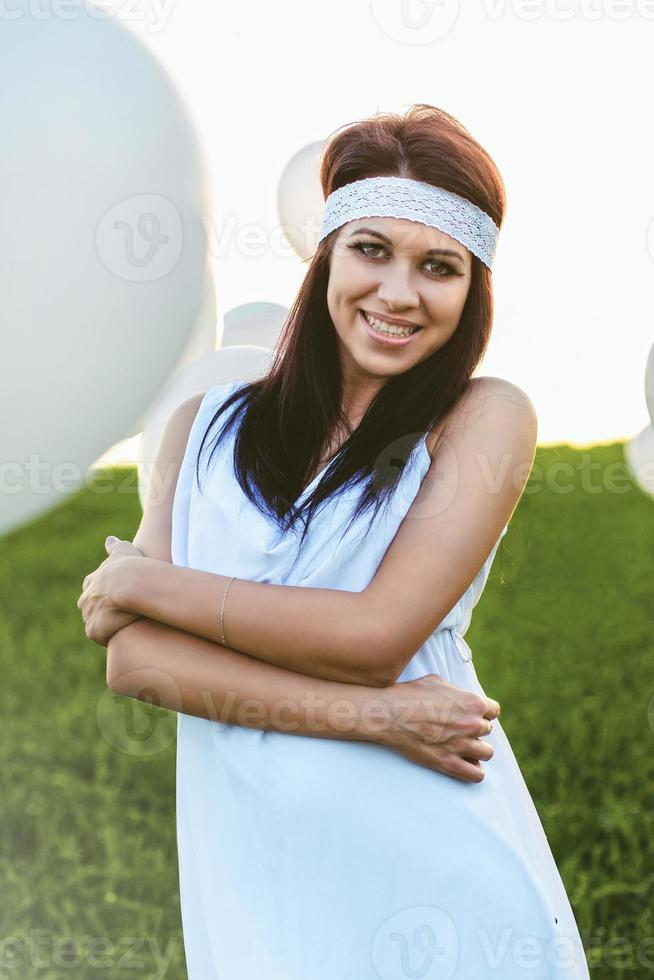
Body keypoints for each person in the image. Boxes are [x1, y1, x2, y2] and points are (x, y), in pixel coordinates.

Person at [79, 105, 590, 978]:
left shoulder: (482, 417)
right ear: (325, 257)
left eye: (440, 267)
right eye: (371, 249)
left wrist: (139, 586)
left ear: (474, 292)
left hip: (437, 878)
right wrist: (377, 717)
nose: (399, 293)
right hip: (257, 882)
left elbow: (372, 638)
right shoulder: (200, 428)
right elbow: (137, 666)